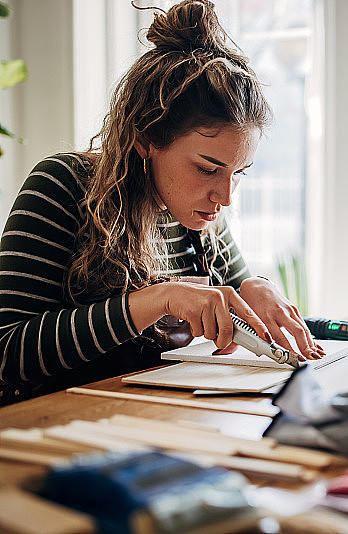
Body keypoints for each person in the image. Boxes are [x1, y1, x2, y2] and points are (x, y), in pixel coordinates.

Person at [0, 0, 323, 405]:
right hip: (64, 430)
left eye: (238, 173)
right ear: (146, 139)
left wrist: (254, 285)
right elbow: (7, 352)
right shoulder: (63, 186)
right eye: (208, 169)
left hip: (160, 422)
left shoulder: (200, 214)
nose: (225, 197)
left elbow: (237, 292)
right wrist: (155, 300)